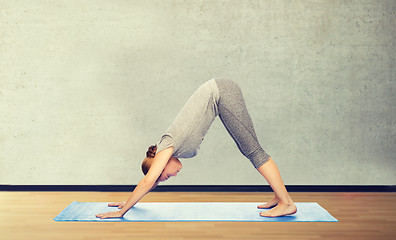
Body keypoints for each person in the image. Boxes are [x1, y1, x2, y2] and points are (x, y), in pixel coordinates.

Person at [96, 78, 297, 219]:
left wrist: (122, 212)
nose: (172, 176)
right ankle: (280, 197)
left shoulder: (167, 144)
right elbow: (152, 182)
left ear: (159, 162)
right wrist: (130, 202)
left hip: (221, 92)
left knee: (253, 151)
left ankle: (287, 203)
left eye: (165, 176)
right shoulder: (169, 150)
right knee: (249, 151)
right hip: (219, 96)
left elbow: (149, 181)